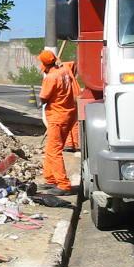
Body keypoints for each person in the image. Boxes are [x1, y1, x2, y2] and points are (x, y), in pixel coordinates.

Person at [38, 50, 78, 196]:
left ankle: (63, 184)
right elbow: (73, 66)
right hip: (68, 114)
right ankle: (50, 179)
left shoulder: (51, 77)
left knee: (54, 151)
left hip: (57, 116)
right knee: (51, 148)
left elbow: (43, 97)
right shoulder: (65, 70)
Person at [62, 61, 81, 152]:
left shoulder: (65, 76)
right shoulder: (73, 79)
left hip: (67, 101)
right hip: (74, 100)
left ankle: (69, 143)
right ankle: (75, 143)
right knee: (74, 123)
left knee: (66, 122)